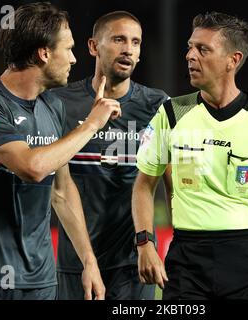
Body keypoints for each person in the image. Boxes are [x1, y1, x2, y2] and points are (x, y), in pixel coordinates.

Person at [132, 12, 248, 300]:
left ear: (233, 60)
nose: (190, 56)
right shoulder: (171, 114)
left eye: (203, 49)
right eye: (190, 47)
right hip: (187, 260)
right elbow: (143, 185)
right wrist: (145, 243)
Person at [0, 2, 121, 300]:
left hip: (39, 280)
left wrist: (89, 260)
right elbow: (31, 168)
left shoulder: (53, 107)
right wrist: (92, 124)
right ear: (44, 53)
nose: (73, 58)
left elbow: (61, 189)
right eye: (68, 49)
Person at [52, 11, 169, 300]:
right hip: (75, 263)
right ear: (93, 47)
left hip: (134, 264)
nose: (128, 49)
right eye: (118, 39)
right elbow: (57, 187)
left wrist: (170, 246)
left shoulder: (156, 105)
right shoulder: (60, 103)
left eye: (136, 42)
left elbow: (172, 184)